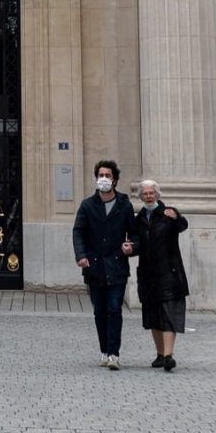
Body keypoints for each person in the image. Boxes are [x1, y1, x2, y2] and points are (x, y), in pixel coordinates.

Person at [71, 158, 136, 369]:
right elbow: (78, 231)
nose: (104, 179)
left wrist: (131, 246)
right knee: (100, 311)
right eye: (101, 176)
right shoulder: (87, 205)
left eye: (108, 176)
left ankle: (114, 354)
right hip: (95, 266)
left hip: (117, 265)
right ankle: (104, 350)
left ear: (115, 180)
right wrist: (80, 255)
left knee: (114, 309)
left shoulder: (124, 205)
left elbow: (134, 234)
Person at [130, 178, 190, 372]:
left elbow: (183, 225)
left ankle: (169, 356)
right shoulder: (138, 220)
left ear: (157, 195)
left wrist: (177, 217)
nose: (148, 196)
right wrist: (130, 248)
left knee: (169, 314)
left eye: (151, 193)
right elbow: (137, 244)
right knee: (152, 315)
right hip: (148, 274)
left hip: (169, 273)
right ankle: (159, 354)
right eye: (145, 194)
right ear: (141, 197)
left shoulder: (168, 213)